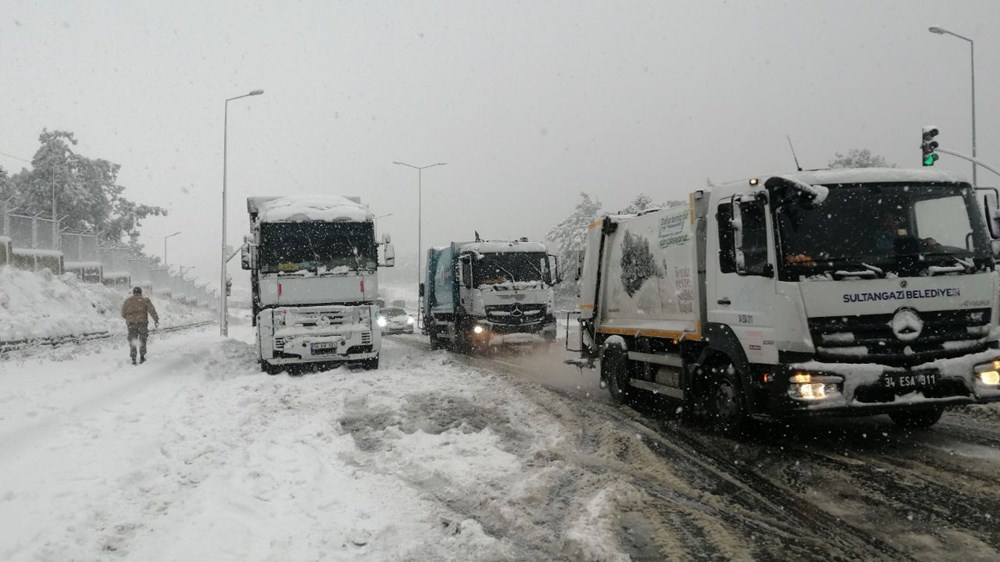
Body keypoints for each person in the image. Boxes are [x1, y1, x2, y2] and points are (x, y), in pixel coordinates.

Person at [121, 286, 159, 365]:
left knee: (132, 340)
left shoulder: (128, 301)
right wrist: (156, 319)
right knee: (142, 340)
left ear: (133, 292)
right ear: (140, 292)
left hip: (131, 324)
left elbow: (123, 313)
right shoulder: (145, 300)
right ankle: (142, 357)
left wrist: (130, 319)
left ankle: (133, 359)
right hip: (142, 324)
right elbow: (152, 310)